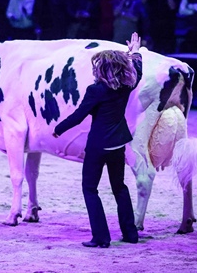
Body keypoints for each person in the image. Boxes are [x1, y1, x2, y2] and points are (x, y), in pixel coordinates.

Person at [53, 32, 142, 248]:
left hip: (98, 146)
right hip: (118, 144)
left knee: (90, 189)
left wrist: (58, 129)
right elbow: (138, 70)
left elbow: (78, 116)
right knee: (119, 187)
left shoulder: (95, 90)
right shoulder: (127, 85)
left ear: (102, 69)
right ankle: (130, 234)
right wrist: (135, 51)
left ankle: (102, 238)